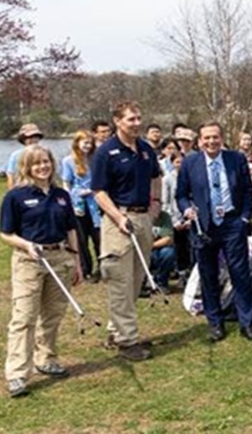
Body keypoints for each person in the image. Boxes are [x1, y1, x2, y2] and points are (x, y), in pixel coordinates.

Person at [0, 145, 82, 398]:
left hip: (60, 258)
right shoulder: (16, 196)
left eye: (45, 162)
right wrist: (27, 245)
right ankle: (17, 374)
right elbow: (5, 233)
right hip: (29, 261)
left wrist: (76, 261)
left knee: (53, 315)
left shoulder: (61, 195)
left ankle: (46, 359)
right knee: (24, 318)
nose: (42, 167)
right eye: (36, 164)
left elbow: (71, 229)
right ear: (27, 167)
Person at [177, 121, 252, 342]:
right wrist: (186, 209)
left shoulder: (236, 159)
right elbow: (181, 195)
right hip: (204, 227)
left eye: (215, 137)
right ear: (199, 141)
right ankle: (215, 323)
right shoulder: (190, 163)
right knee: (208, 276)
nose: (211, 141)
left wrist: (244, 218)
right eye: (207, 138)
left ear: (221, 139)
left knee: (240, 274)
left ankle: (247, 323)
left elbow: (246, 191)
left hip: (233, 224)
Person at [91, 102, 162, 361]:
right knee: (120, 280)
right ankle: (127, 341)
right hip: (117, 220)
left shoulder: (145, 149)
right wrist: (118, 217)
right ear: (117, 121)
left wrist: (156, 202)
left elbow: (156, 176)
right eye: (131, 119)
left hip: (143, 218)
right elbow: (98, 191)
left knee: (135, 280)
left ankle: (116, 330)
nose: (136, 123)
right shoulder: (105, 153)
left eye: (139, 118)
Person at [60, 130, 101, 282]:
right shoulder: (68, 161)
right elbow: (66, 183)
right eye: (85, 143)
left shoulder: (96, 159)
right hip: (78, 203)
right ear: (77, 143)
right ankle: (85, 269)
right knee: (81, 239)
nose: (88, 146)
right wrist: (69, 203)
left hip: (95, 201)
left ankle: (102, 267)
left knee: (98, 236)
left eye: (90, 143)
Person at [161, 151, 190, 289]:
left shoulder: (190, 177)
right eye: (177, 162)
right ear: (172, 163)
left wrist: (190, 219)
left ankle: (189, 275)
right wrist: (174, 221)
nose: (180, 164)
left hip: (189, 220)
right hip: (174, 220)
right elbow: (165, 202)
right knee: (178, 248)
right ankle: (179, 274)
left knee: (190, 248)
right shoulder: (167, 179)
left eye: (182, 161)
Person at [5, 123, 44, 189]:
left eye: (36, 137)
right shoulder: (16, 155)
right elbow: (10, 175)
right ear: (23, 139)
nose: (33, 140)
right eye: (30, 137)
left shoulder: (44, 154)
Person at [149, 201, 175, 294]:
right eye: (153, 207)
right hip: (146, 249)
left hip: (160, 248)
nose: (156, 210)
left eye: (158, 208)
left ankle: (162, 283)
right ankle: (146, 283)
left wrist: (151, 246)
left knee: (168, 253)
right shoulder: (144, 217)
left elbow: (168, 239)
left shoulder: (165, 217)